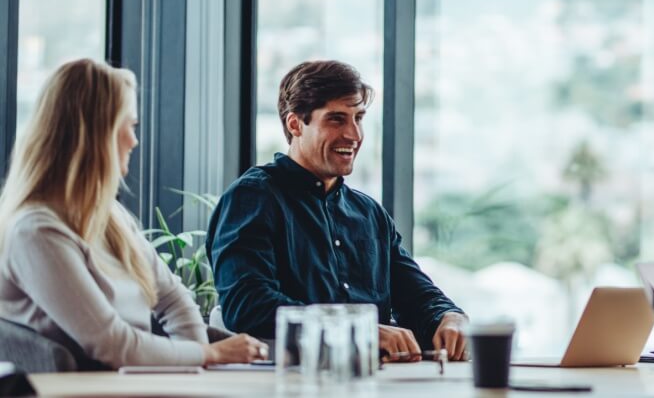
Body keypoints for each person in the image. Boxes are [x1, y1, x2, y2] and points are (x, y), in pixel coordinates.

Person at [0, 59, 266, 368]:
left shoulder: (109, 217)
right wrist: (209, 354)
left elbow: (173, 298)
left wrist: (195, 363)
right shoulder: (36, 232)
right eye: (130, 125)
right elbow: (111, 344)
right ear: (98, 134)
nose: (135, 140)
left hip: (132, 382)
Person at [206, 60, 468, 361]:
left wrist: (449, 316)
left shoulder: (369, 214)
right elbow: (248, 306)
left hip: (376, 383)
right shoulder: (252, 198)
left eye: (358, 118)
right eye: (336, 119)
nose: (354, 134)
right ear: (295, 124)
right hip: (288, 384)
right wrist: (357, 330)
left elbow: (416, 294)